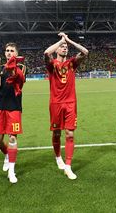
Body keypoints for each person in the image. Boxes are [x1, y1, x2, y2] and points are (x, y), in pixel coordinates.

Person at [44, 32, 89, 180]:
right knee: (57, 133)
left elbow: (85, 52)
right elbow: (46, 53)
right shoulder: (51, 64)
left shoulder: (71, 63)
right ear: (57, 49)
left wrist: (68, 40)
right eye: (62, 47)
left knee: (70, 133)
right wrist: (60, 41)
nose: (64, 48)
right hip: (56, 103)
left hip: (70, 103)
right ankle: (58, 158)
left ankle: (68, 166)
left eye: (66, 47)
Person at [0, 42, 25, 183]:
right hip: (0, 106)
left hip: (14, 107)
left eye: (12, 50)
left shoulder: (21, 67)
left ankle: (12, 171)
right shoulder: (0, 67)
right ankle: (7, 155)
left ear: (16, 53)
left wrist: (11, 66)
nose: (9, 52)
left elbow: (17, 79)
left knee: (12, 138)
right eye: (7, 50)